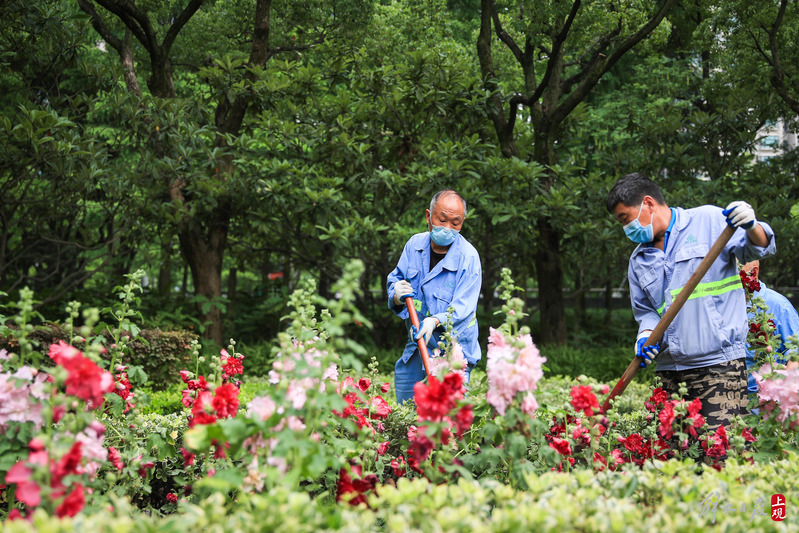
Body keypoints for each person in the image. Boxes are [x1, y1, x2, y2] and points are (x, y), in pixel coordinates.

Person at [606, 173, 776, 432]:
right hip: (669, 370)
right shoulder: (638, 260)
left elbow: (758, 248)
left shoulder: (707, 221)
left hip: (719, 366)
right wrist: (646, 336)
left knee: (719, 455)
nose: (625, 228)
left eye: (625, 218)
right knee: (668, 459)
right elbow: (647, 312)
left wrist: (752, 225)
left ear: (648, 204)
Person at [386, 189, 482, 403]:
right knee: (406, 412)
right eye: (442, 219)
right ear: (429, 216)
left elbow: (464, 307)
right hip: (417, 345)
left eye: (455, 223)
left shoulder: (468, 258)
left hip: (451, 351)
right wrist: (396, 296)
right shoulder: (414, 246)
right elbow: (396, 279)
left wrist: (434, 320)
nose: (448, 228)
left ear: (462, 223)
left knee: (446, 418)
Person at [739, 260, 799, 394]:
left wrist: (781, 393)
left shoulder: (778, 306)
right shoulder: (723, 306)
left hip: (761, 403)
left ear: (753, 272)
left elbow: (796, 356)